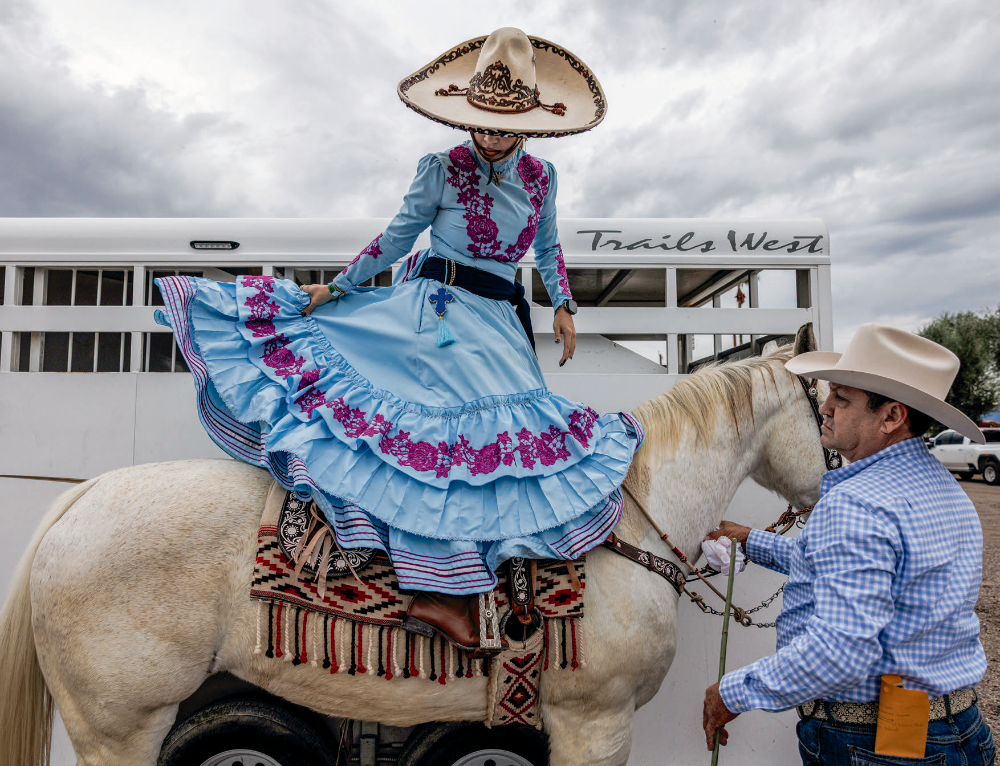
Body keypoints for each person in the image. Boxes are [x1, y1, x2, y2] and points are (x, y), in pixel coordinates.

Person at [154, 28, 642, 651]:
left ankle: (502, 581)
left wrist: (565, 306)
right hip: (436, 314)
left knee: (512, 454)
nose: (489, 137)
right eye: (480, 124)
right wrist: (336, 288)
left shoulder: (543, 179)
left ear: (526, 123)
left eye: (502, 126)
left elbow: (548, 249)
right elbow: (395, 239)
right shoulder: (440, 169)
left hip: (501, 321)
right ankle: (438, 592)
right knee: (443, 447)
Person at [702, 323, 993, 764]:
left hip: (873, 744)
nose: (826, 408)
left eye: (841, 398)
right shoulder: (945, 490)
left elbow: (840, 653)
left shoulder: (858, 502)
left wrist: (733, 692)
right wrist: (749, 539)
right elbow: (839, 565)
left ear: (891, 417)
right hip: (959, 730)